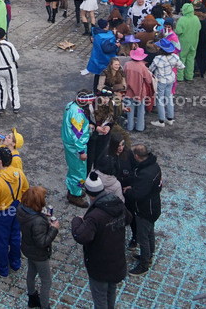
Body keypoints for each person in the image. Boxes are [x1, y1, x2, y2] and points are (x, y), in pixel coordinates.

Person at [70, 173, 131, 309]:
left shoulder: (95, 216)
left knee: (100, 298)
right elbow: (128, 218)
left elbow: (80, 236)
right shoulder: (116, 202)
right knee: (111, 292)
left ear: (90, 195)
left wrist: (77, 221)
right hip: (117, 261)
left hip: (100, 267)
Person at [0, 147, 28, 277]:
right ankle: (15, 263)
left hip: (2, 214)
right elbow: (26, 190)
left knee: (1, 241)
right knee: (15, 237)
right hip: (16, 209)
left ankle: (2, 268)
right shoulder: (19, 173)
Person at [18, 186, 60, 309]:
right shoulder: (37, 221)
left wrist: (41, 214)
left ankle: (32, 297)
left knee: (31, 272)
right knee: (46, 281)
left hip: (28, 248)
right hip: (39, 254)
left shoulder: (21, 209)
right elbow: (42, 242)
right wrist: (54, 229)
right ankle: (44, 306)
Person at [124, 145, 162, 275]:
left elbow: (138, 195)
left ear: (136, 156)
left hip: (145, 210)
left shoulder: (145, 174)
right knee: (150, 233)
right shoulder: (154, 166)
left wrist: (128, 191)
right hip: (153, 207)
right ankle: (149, 256)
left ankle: (144, 264)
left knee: (143, 237)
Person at [62, 90, 95, 208]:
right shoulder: (78, 114)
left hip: (70, 144)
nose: (91, 102)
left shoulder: (71, 105)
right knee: (79, 172)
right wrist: (81, 151)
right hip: (76, 147)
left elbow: (73, 125)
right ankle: (75, 195)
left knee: (73, 169)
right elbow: (77, 135)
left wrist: (86, 125)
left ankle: (73, 190)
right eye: (90, 101)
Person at [148, 39, 183, 127]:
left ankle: (161, 121)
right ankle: (170, 119)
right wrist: (173, 66)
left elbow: (150, 69)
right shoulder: (174, 56)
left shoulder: (158, 58)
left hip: (161, 81)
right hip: (170, 79)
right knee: (169, 98)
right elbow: (181, 66)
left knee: (160, 100)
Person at [85, 19, 119, 94]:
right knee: (106, 75)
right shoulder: (107, 37)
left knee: (97, 75)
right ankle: (104, 90)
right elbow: (107, 49)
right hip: (106, 59)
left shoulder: (96, 33)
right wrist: (116, 46)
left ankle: (95, 90)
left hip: (97, 58)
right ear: (105, 26)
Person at [123, 48, 154, 133]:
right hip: (140, 92)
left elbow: (123, 75)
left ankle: (130, 126)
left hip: (128, 91)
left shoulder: (127, 64)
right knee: (141, 110)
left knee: (129, 109)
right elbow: (148, 80)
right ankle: (140, 127)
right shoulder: (142, 67)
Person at [174, 2, 200, 82]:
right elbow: (199, 27)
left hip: (184, 42)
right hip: (194, 42)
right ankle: (189, 76)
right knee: (191, 59)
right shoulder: (196, 18)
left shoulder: (182, 19)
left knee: (181, 58)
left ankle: (180, 77)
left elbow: (178, 31)